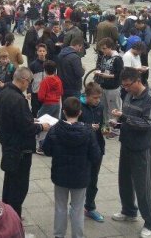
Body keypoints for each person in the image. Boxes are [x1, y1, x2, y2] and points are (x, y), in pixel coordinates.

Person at [43, 97, 101, 238]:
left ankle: (59, 235)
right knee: (77, 208)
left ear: (64, 112)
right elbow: (96, 155)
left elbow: (46, 150)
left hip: (60, 175)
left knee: (60, 207)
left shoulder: (55, 129)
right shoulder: (88, 132)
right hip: (80, 176)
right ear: (80, 113)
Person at [0, 67, 50, 218]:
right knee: (19, 188)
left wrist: (30, 119)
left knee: (9, 184)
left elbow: (14, 120)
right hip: (20, 150)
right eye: (30, 82)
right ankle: (14, 219)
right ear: (24, 80)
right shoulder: (18, 99)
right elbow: (26, 128)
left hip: (8, 145)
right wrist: (40, 126)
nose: (30, 85)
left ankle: (7, 214)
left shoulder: (4, 94)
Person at [111, 68, 151, 237]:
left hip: (141, 149)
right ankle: (129, 211)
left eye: (127, 85)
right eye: (123, 86)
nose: (125, 89)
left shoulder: (150, 99)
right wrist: (115, 125)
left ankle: (150, 223)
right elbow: (127, 120)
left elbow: (146, 124)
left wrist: (124, 117)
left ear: (138, 81)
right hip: (126, 144)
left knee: (143, 187)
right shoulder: (129, 95)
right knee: (124, 181)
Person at [79, 83, 106, 223]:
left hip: (97, 148)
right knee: (81, 179)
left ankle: (90, 207)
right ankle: (75, 206)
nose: (97, 100)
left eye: (99, 98)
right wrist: (88, 127)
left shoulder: (100, 106)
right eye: (95, 98)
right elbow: (71, 125)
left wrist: (106, 129)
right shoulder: (78, 106)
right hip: (83, 150)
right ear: (87, 96)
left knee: (93, 179)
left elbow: (101, 124)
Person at [95, 38, 124, 125]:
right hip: (103, 86)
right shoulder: (104, 56)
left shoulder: (118, 59)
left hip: (113, 88)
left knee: (114, 109)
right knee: (104, 108)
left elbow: (119, 75)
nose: (102, 50)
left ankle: (115, 128)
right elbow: (102, 68)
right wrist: (99, 73)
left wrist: (107, 75)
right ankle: (106, 127)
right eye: (102, 48)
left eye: (104, 48)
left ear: (110, 47)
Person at [57, 36, 85, 100]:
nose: (80, 49)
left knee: (65, 106)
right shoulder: (75, 57)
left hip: (63, 85)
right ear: (78, 45)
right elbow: (79, 73)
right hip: (73, 87)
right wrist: (83, 69)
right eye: (80, 47)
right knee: (74, 107)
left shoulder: (60, 54)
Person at [28, 43, 48, 118]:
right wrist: (29, 91)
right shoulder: (33, 65)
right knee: (35, 112)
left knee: (45, 112)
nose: (42, 53)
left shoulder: (49, 64)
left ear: (46, 52)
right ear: (37, 52)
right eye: (40, 51)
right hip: (35, 92)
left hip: (46, 93)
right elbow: (29, 79)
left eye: (43, 51)